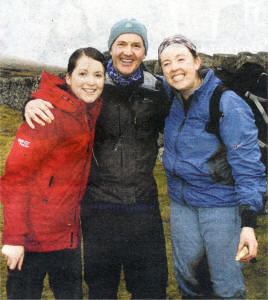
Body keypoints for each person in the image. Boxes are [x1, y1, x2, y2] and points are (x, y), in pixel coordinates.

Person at [23, 18, 169, 299]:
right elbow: (54, 95)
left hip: (144, 206)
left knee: (151, 288)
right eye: (121, 44)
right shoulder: (93, 83)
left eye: (136, 45)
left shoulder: (158, 90)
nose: (128, 51)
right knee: (102, 289)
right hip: (100, 208)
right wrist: (32, 101)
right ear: (111, 48)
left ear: (145, 51)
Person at [158, 35, 266, 299]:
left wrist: (248, 223)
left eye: (181, 59)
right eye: (166, 63)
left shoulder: (226, 103)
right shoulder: (172, 100)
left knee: (225, 285)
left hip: (220, 207)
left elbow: (248, 165)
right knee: (189, 281)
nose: (174, 68)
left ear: (197, 62)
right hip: (181, 206)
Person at [1, 47, 106, 299]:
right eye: (83, 73)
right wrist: (14, 239)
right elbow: (16, 177)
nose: (91, 82)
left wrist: (30, 99)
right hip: (31, 239)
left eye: (98, 75)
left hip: (67, 239)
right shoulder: (46, 114)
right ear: (68, 78)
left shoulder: (90, 109)